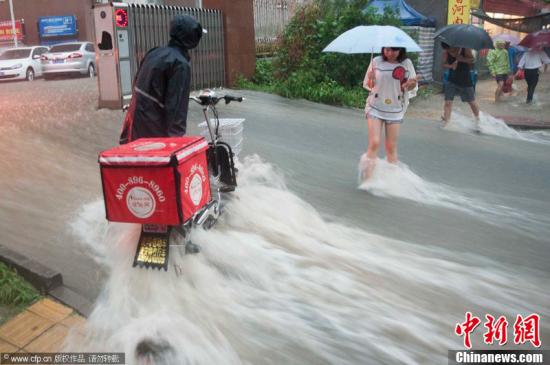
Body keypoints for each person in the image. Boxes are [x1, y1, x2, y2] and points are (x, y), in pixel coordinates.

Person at [120, 14, 204, 144]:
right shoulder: (180, 64)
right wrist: (176, 143)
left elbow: (136, 82)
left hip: (134, 125)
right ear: (193, 38)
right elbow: (176, 108)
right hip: (154, 133)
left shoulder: (155, 52)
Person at [360, 47, 418, 180]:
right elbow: (368, 84)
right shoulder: (376, 61)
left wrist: (411, 84)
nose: (390, 53)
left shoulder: (406, 63)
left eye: (394, 50)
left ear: (400, 50)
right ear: (383, 49)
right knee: (374, 142)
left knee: (391, 146)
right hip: (375, 107)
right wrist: (370, 78)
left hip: (395, 110)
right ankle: (367, 180)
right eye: (387, 50)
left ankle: (391, 182)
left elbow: (410, 87)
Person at [440, 42, 480, 130]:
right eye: (447, 50)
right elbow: (443, 64)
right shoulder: (446, 52)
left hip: (465, 79)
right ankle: (447, 122)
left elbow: (472, 60)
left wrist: (462, 59)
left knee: (471, 101)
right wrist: (451, 66)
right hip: (452, 79)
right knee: (448, 102)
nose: (450, 51)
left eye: (451, 49)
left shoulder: (465, 49)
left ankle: (478, 120)